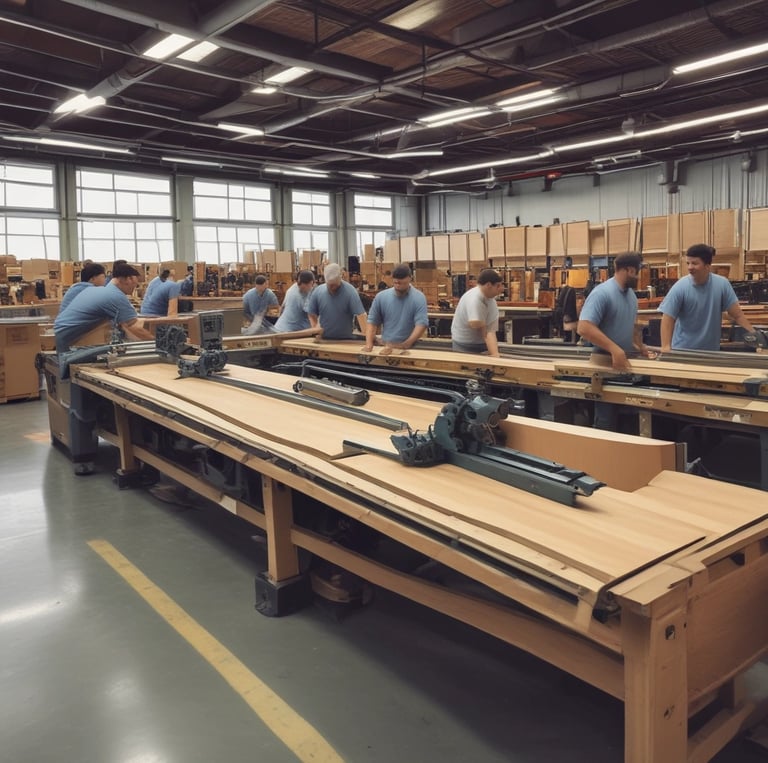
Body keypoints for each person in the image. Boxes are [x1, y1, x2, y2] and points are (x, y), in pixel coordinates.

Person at [577, 251, 653, 430]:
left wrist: (640, 345)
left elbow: (629, 326)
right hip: (605, 367)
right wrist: (614, 349)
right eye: (638, 272)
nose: (639, 277)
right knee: (606, 424)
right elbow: (584, 327)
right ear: (630, 270)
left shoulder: (631, 296)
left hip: (624, 368)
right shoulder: (602, 293)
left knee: (628, 424)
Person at [658, 243, 756, 352]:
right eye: (688, 263)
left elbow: (737, 315)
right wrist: (665, 346)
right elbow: (668, 317)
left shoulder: (722, 284)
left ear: (708, 266)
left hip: (710, 352)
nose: (690, 267)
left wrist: (754, 335)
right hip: (683, 351)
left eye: (695, 263)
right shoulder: (680, 287)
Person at [54, 263, 154, 353]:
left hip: (63, 333)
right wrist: (156, 342)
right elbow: (133, 326)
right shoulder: (115, 295)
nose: (134, 288)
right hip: (71, 339)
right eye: (135, 284)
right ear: (128, 279)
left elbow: (124, 324)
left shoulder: (100, 290)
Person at [364, 263, 428, 351]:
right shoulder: (381, 297)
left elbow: (421, 324)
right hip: (386, 346)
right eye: (395, 282)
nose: (398, 285)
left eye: (401, 283)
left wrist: (406, 344)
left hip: (410, 348)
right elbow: (372, 321)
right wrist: (369, 344)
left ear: (410, 278)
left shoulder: (419, 298)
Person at [450, 268, 504, 356]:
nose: (501, 289)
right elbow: (476, 324)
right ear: (488, 285)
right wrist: (494, 354)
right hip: (465, 345)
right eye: (498, 286)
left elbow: (490, 330)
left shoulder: (490, 299)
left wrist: (495, 354)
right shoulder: (474, 299)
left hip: (481, 343)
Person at [307, 262, 367, 340]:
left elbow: (361, 316)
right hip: (324, 339)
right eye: (329, 285)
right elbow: (311, 314)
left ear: (340, 278)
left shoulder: (350, 292)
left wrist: (367, 338)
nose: (332, 288)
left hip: (345, 340)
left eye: (334, 285)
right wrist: (315, 329)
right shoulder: (318, 292)